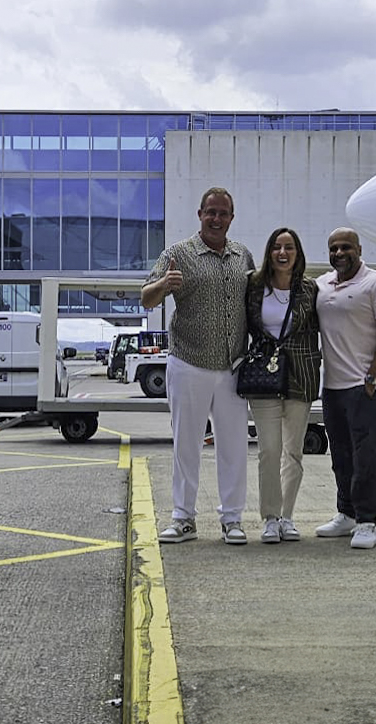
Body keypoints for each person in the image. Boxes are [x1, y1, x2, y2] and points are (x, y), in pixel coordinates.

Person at [142, 187, 255, 545]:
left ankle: (232, 518)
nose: (217, 219)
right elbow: (146, 298)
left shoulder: (243, 256)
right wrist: (164, 283)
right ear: (199, 214)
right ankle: (183, 517)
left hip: (233, 365)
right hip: (189, 362)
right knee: (186, 444)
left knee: (234, 445)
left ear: (232, 217)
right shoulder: (178, 253)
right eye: (211, 212)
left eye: (223, 213)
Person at [314, 228, 376, 549]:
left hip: (366, 385)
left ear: (359, 249)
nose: (340, 253)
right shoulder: (322, 285)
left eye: (346, 247)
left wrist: (372, 378)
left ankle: (367, 521)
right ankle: (347, 514)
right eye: (334, 248)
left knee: (366, 454)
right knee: (340, 453)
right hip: (333, 385)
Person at [245, 227, 321, 543]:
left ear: (297, 253)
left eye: (289, 247)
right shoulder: (253, 287)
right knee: (269, 450)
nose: (282, 253)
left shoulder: (311, 289)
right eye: (277, 246)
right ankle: (270, 518)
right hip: (264, 374)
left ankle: (287, 516)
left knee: (293, 452)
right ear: (269, 252)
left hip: (301, 374)